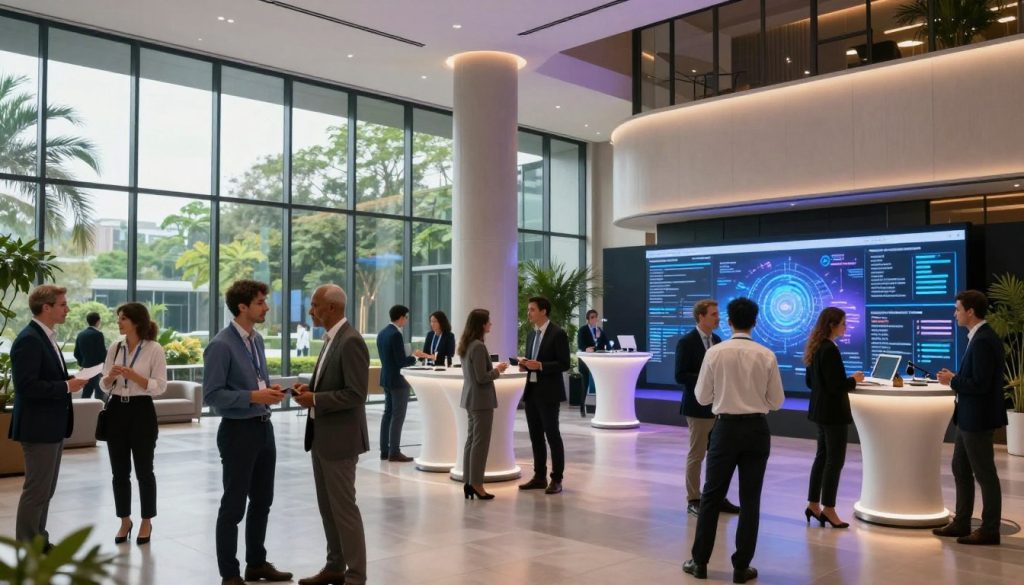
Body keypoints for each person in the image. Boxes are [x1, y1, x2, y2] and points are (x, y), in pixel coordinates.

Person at [683, 298, 784, 584]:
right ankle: (741, 567)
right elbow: (777, 401)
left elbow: (702, 397)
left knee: (711, 497)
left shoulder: (715, 353)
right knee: (750, 500)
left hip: (724, 430)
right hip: (756, 431)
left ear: (728, 321)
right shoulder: (766, 355)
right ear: (755, 321)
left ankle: (699, 562)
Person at [203, 280, 291, 585]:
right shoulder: (221, 344)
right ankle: (230, 573)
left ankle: (256, 564)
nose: (266, 306)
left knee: (262, 501)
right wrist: (254, 397)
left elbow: (256, 383)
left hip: (264, 428)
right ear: (242, 307)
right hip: (238, 432)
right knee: (234, 505)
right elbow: (212, 396)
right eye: (260, 302)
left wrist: (268, 391)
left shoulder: (257, 341)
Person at [292, 285, 370, 585]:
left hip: (340, 441)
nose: (311, 311)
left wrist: (317, 400)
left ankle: (356, 576)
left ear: (332, 308)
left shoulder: (350, 341)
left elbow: (356, 394)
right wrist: (310, 392)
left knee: (344, 510)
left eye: (315, 305)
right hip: (322, 438)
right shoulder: (330, 339)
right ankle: (335, 566)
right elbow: (331, 385)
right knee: (328, 509)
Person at [9, 285, 86, 548]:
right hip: (38, 428)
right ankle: (27, 546)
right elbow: (26, 386)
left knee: (46, 491)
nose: (67, 309)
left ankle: (38, 540)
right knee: (36, 491)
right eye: (63, 304)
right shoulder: (30, 339)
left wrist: (68, 381)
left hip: (51, 426)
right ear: (47, 308)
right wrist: (66, 386)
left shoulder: (45, 337)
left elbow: (45, 377)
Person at [933, 290, 1007, 546]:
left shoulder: (984, 340)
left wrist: (952, 380)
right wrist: (955, 377)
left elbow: (981, 385)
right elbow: (977, 379)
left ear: (970, 312)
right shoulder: (978, 338)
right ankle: (962, 522)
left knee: (985, 474)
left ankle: (989, 529)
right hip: (968, 418)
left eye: (957, 309)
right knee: (960, 469)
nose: (955, 314)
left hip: (978, 419)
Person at [98, 303, 168, 545]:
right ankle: (124, 520)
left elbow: (160, 386)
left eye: (123, 318)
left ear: (137, 322)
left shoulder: (154, 349)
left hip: (142, 411)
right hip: (116, 409)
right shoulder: (115, 347)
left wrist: (134, 376)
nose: (118, 322)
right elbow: (103, 384)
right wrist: (111, 377)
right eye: (118, 318)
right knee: (119, 472)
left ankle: (146, 520)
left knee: (144, 471)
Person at [675, 299, 740, 517]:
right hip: (697, 408)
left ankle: (716, 497)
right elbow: (680, 375)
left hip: (719, 408)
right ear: (701, 317)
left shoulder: (719, 340)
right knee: (697, 454)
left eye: (717, 314)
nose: (718, 318)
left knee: (719, 455)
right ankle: (693, 498)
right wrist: (707, 379)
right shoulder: (687, 342)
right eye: (713, 314)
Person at [803, 307, 864, 529]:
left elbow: (811, 383)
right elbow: (836, 385)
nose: (845, 327)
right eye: (843, 323)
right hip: (833, 414)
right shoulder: (830, 350)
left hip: (819, 412)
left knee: (822, 458)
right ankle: (828, 508)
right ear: (832, 325)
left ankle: (813, 504)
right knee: (834, 461)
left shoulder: (816, 347)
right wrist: (855, 380)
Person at [518, 296, 571, 495]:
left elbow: (564, 363)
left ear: (543, 311)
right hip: (532, 392)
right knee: (535, 436)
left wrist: (540, 366)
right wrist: (525, 364)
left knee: (552, 435)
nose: (528, 313)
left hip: (549, 393)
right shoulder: (532, 335)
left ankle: (556, 478)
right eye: (528, 309)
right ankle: (539, 476)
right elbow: (533, 361)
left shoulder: (558, 333)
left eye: (532, 309)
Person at [458, 309, 509, 500]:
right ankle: (478, 484)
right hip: (481, 401)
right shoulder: (478, 346)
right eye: (488, 321)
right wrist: (498, 370)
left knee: (471, 442)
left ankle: (469, 482)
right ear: (481, 324)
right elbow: (482, 377)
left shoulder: (467, 344)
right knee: (480, 444)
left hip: (471, 399)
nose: (491, 324)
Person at [376, 304, 417, 462]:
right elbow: (401, 361)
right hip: (398, 382)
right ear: (400, 317)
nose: (406, 320)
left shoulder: (382, 333)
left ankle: (384, 451)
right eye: (406, 317)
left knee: (387, 414)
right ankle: (394, 451)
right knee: (398, 416)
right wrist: (414, 357)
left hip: (386, 378)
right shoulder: (396, 335)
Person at [576, 309, 609, 409]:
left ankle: (600, 406)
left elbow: (606, 344)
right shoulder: (583, 330)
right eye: (592, 317)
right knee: (585, 383)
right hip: (586, 361)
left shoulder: (599, 330)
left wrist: (599, 339)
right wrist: (586, 349)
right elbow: (580, 344)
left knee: (600, 383)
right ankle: (582, 405)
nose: (594, 319)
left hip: (597, 362)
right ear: (588, 319)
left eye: (596, 317)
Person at [73, 311, 106, 401]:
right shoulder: (98, 334)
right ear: (98, 321)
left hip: (86, 369)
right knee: (100, 395)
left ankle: (82, 413)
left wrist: (83, 364)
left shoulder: (81, 334)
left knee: (86, 393)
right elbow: (102, 353)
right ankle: (100, 414)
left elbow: (76, 353)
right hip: (98, 370)